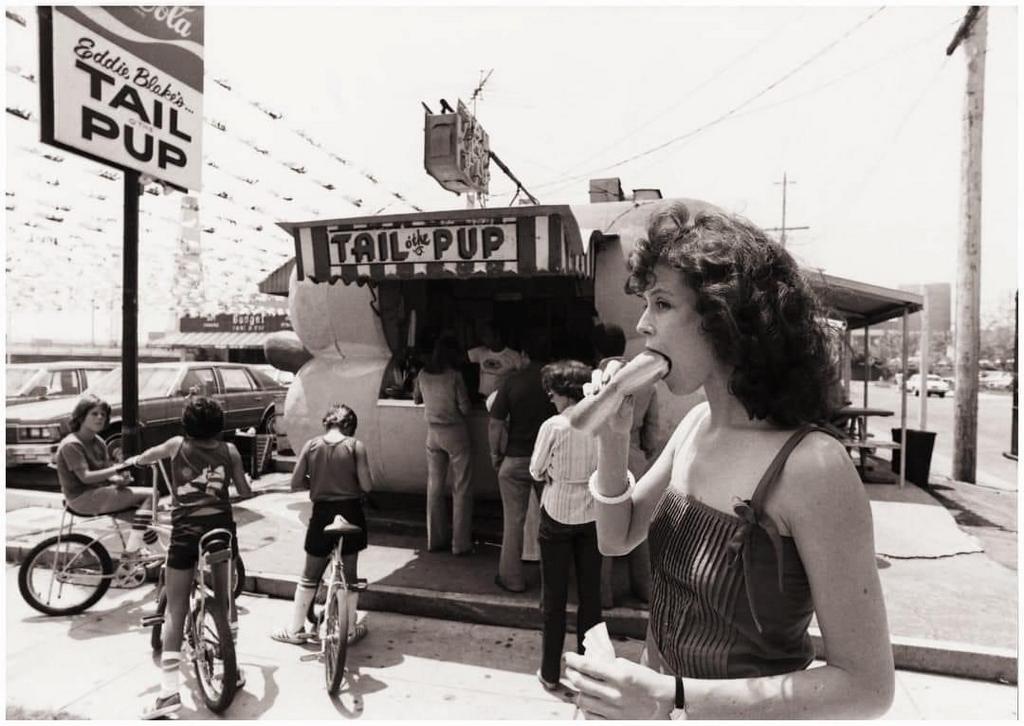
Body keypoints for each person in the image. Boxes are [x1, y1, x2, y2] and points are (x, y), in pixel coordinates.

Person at [564, 202, 894, 719]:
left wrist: (669, 697)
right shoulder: (696, 425)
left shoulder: (812, 467)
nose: (644, 325)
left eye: (662, 304)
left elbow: (867, 687)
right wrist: (613, 437)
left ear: (724, 318)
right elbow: (617, 535)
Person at [126, 396, 254, 719]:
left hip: (185, 534)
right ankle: (231, 670)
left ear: (186, 424)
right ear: (219, 424)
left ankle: (168, 694)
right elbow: (244, 490)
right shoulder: (231, 452)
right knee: (224, 598)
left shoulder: (175, 445)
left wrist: (137, 460)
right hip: (220, 530)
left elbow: (145, 457)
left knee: (176, 609)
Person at [271, 404, 374, 647]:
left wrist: (317, 484)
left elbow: (295, 482)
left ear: (327, 423)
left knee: (309, 575)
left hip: (321, 514)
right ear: (349, 426)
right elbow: (367, 486)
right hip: (351, 512)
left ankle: (295, 629)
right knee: (349, 575)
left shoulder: (311, 445)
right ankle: (348, 631)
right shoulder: (355, 446)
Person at [529, 360, 602, 691]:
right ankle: (588, 672)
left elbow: (535, 469)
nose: (549, 397)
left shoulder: (554, 426)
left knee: (554, 598)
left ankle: (550, 672)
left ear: (563, 392)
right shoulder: (601, 423)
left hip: (556, 512)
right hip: (591, 514)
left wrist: (552, 475)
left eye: (551, 390)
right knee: (590, 597)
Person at [592, 322, 660, 604]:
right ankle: (643, 588)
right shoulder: (644, 380)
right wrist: (644, 450)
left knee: (605, 527)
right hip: (635, 454)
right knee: (638, 527)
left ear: (596, 348)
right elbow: (652, 430)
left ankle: (603, 593)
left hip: (605, 454)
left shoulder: (595, 379)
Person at [489, 335, 555, 592]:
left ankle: (511, 579)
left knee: (512, 522)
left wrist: (494, 454)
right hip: (547, 463)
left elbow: (495, 423)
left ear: (525, 355)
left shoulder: (511, 382)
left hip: (514, 459)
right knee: (551, 522)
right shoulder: (555, 383)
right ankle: (551, 580)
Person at [54, 394, 152, 558]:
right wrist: (118, 468)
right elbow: (86, 477)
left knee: (144, 518)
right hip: (81, 499)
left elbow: (106, 473)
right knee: (152, 494)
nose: (100, 418)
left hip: (99, 494)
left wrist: (120, 480)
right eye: (94, 414)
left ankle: (143, 554)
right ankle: (131, 552)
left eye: (103, 414)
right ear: (81, 416)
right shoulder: (72, 444)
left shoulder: (98, 441)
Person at [413, 335, 475, 555]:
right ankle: (460, 544)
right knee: (462, 487)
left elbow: (416, 399)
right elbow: (466, 408)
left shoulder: (422, 374)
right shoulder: (455, 376)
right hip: (455, 433)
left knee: (435, 486)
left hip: (433, 434)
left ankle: (435, 540)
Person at [468, 323, 525, 406]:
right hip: (482, 402)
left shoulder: (514, 356)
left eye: (486, 335)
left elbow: (524, 376)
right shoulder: (480, 352)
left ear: (497, 336)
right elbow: (456, 359)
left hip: (501, 402)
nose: (483, 339)